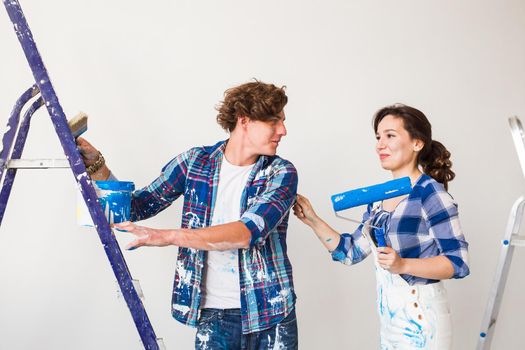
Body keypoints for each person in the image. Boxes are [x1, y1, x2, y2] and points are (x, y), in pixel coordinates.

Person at [78, 81, 299, 349]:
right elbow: (138, 206)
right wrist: (98, 166)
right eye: (274, 121)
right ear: (245, 120)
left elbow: (248, 232)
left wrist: (169, 236)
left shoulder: (281, 173)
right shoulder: (195, 162)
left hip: (271, 313)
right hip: (214, 315)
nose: (283, 131)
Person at [293, 104, 469, 349]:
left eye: (390, 136)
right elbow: (350, 252)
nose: (380, 144)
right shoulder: (379, 200)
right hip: (390, 320)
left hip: (423, 317)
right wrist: (312, 219)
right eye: (378, 137)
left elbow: (457, 262)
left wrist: (403, 264)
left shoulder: (431, 194)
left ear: (417, 143)